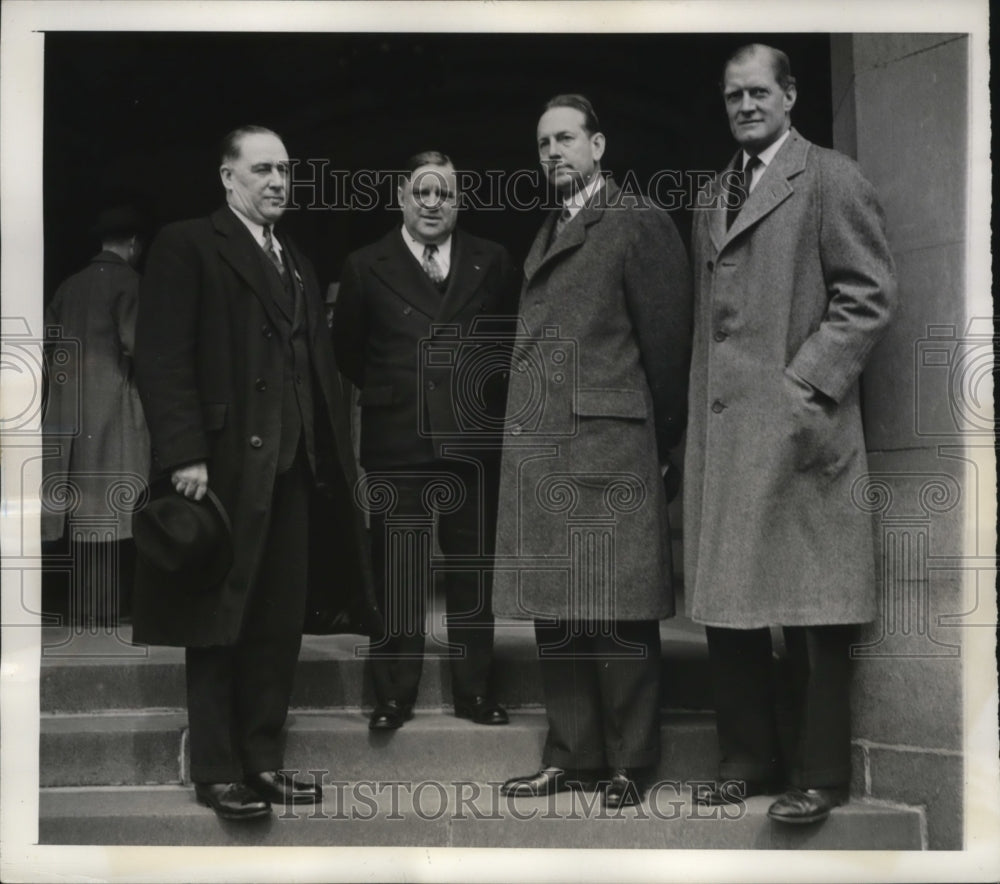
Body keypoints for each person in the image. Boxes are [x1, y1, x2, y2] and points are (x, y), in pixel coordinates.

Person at [132, 125, 379, 821]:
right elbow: (162, 356)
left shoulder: (293, 255)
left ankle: (262, 760)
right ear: (227, 176)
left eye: (285, 171)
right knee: (218, 617)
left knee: (276, 621)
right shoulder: (188, 245)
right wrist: (183, 453)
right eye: (262, 169)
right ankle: (215, 768)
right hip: (220, 468)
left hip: (293, 469)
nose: (277, 181)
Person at [685, 45, 897, 824]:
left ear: (790, 95)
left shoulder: (830, 177)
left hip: (803, 433)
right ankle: (747, 760)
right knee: (729, 606)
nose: (744, 106)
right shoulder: (713, 193)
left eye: (758, 93)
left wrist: (803, 385)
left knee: (814, 611)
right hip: (729, 431)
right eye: (733, 95)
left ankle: (820, 776)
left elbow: (868, 295)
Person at [494, 95, 692, 808]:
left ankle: (630, 762)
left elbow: (669, 350)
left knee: (618, 606)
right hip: (548, 447)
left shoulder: (638, 221)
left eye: (567, 139)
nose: (553, 152)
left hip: (611, 444)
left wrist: (658, 443)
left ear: (598, 145)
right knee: (558, 605)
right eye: (544, 142)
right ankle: (573, 756)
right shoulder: (549, 230)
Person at [333, 151, 519, 731]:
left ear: (458, 200)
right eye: (422, 193)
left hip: (471, 439)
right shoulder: (366, 265)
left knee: (472, 572)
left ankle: (475, 692)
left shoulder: (494, 260)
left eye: (444, 193)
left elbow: (508, 343)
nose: (433, 203)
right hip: (398, 440)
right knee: (400, 571)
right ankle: (394, 695)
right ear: (402, 198)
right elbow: (349, 351)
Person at [42, 205, 149, 627]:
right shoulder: (131, 283)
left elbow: (46, 344)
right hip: (114, 410)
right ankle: (105, 609)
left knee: (82, 512)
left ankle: (85, 608)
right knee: (115, 510)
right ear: (134, 243)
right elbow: (138, 346)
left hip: (68, 410)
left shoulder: (70, 285)